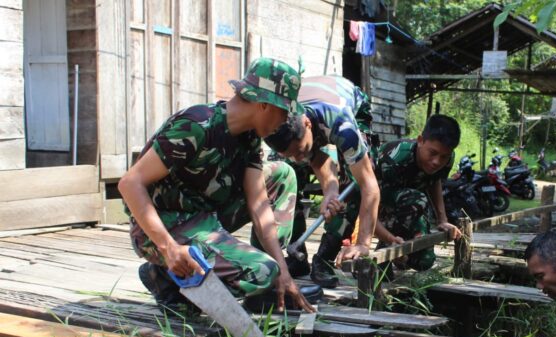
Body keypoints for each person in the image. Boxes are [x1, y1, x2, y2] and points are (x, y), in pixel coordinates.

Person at [119, 57, 314, 315]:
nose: (285, 120)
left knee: (282, 175)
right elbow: (129, 184)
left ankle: (266, 286)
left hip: (206, 215)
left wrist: (284, 271)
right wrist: (168, 248)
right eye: (284, 111)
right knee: (262, 271)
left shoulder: (250, 137)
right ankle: (166, 276)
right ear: (265, 105)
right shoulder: (197, 126)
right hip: (162, 228)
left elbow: (258, 202)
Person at [265, 75, 379, 288]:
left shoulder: (342, 125)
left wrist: (364, 243)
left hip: (349, 104)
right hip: (312, 109)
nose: (299, 159)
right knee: (285, 172)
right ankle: (296, 256)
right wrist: (329, 190)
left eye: (299, 151)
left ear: (307, 124)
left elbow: (369, 186)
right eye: (290, 153)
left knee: (352, 181)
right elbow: (315, 158)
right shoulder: (278, 126)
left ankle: (325, 259)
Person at [372, 114, 463, 272]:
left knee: (425, 261)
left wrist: (442, 219)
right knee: (416, 199)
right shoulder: (394, 158)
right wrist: (387, 239)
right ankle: (382, 255)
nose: (437, 162)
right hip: (376, 206)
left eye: (444, 156)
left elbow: (435, 181)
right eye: (433, 153)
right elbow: (368, 203)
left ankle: (400, 258)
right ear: (420, 140)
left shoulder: (447, 159)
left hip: (412, 208)